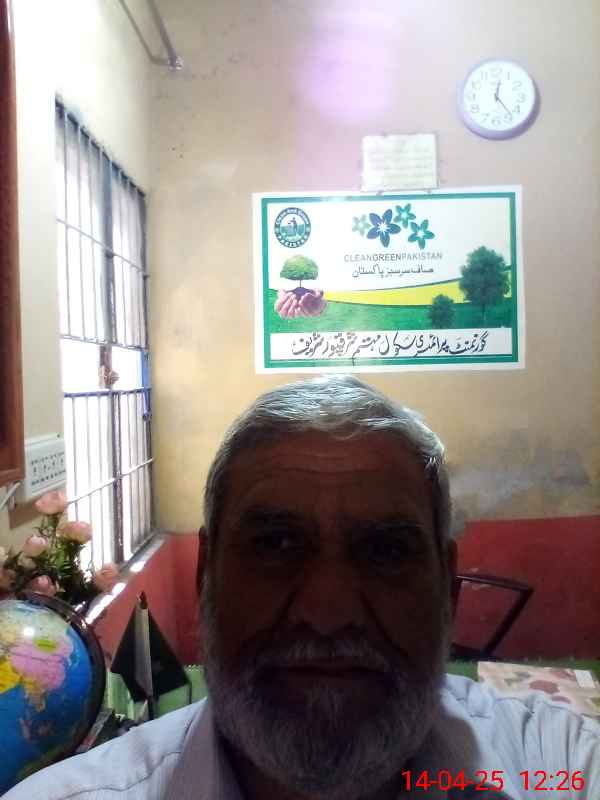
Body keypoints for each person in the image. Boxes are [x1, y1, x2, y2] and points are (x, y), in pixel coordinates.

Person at [5, 376, 599, 800]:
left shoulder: (562, 767)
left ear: (447, 586)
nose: (328, 611)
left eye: (386, 551)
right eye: (276, 545)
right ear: (206, 574)